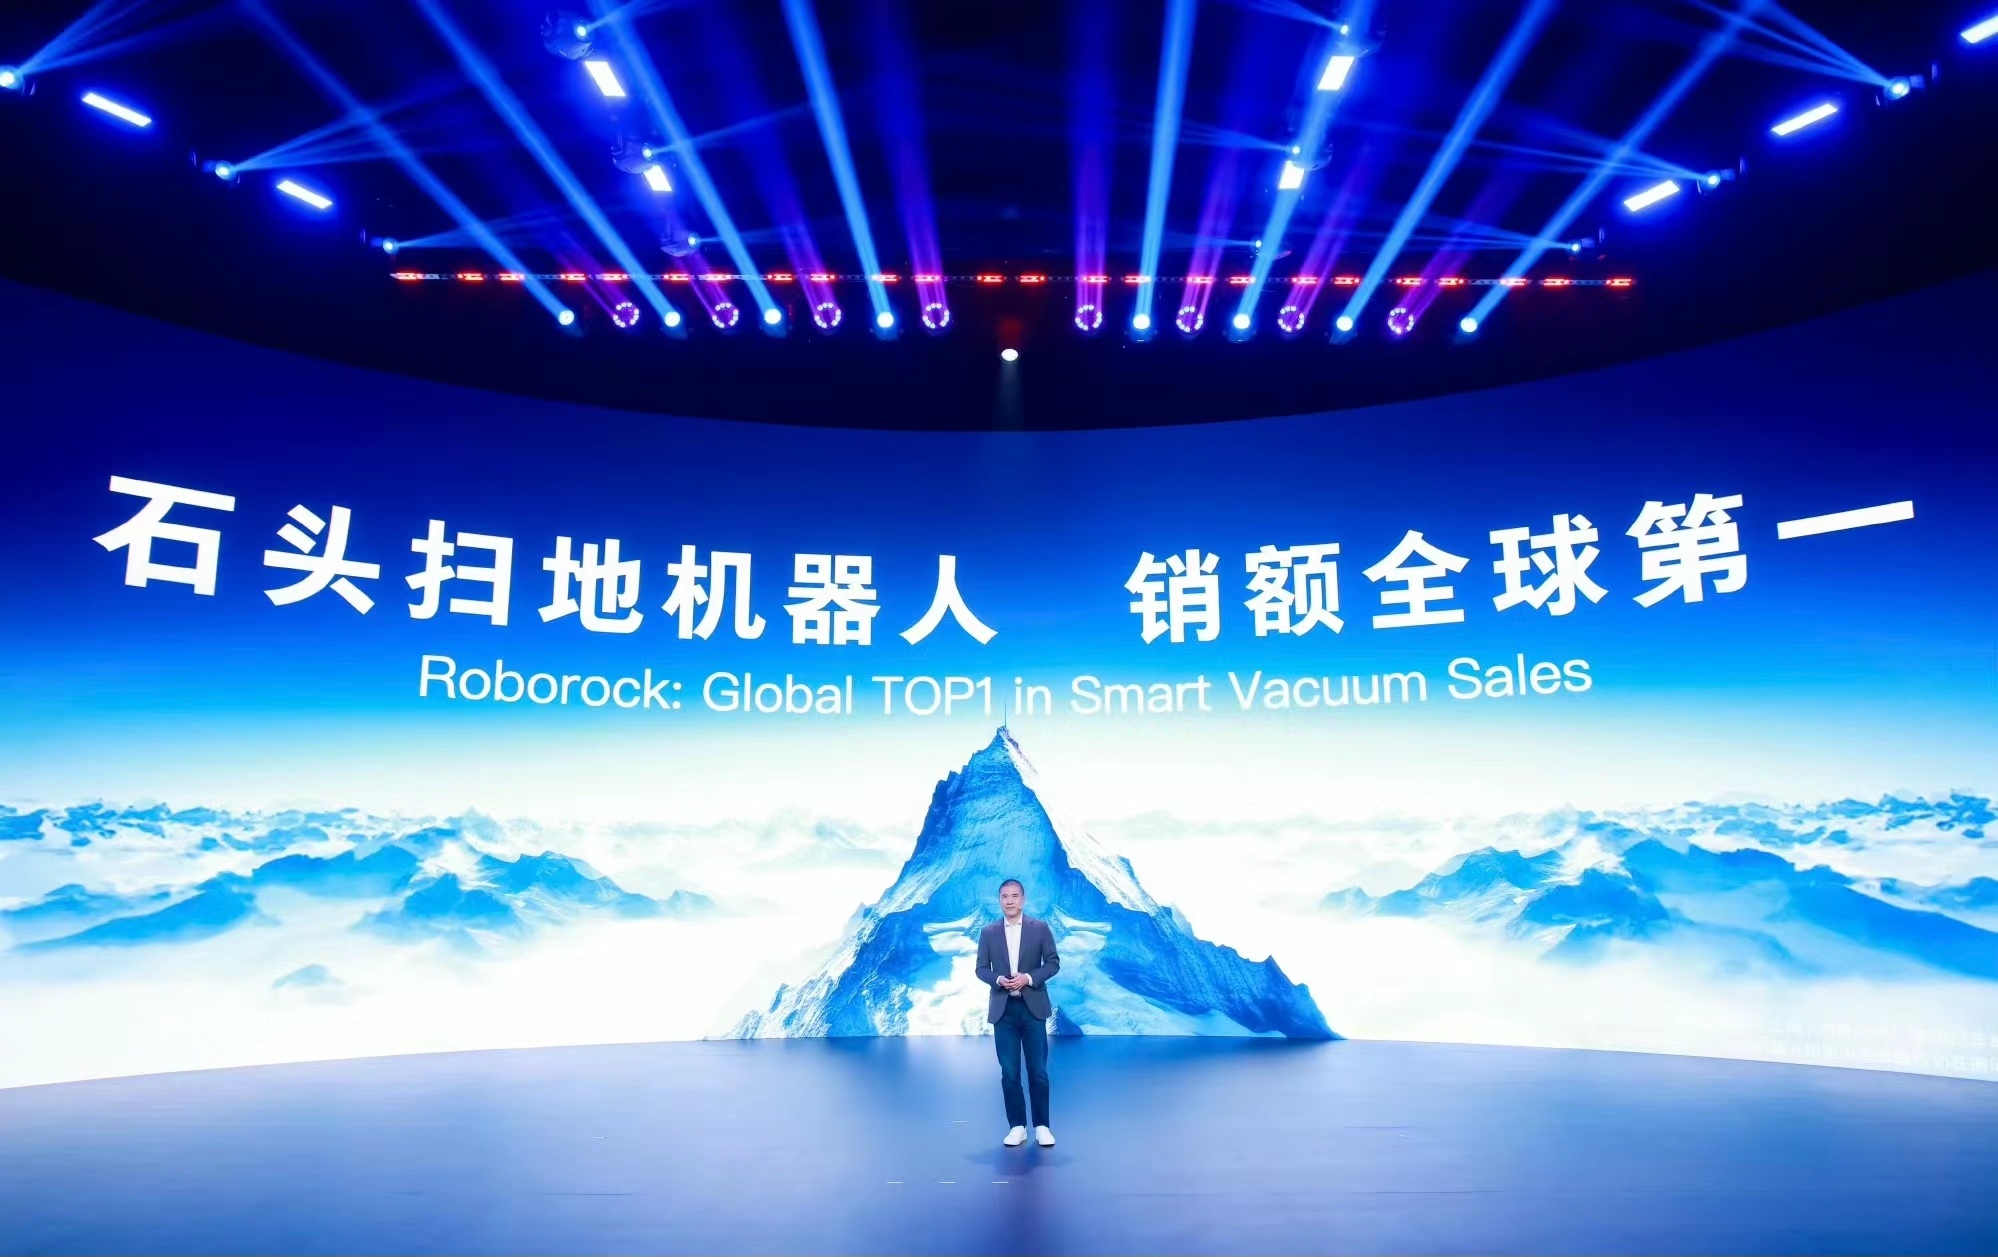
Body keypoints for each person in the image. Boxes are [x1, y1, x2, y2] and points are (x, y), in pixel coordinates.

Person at [975, 878, 1060, 1148]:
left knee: (1038, 1071)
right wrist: (999, 979)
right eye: (1004, 896)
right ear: (999, 900)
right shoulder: (988, 932)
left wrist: (1028, 978)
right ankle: (1017, 1127)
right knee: (1009, 1073)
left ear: (1023, 899)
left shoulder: (1040, 928)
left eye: (1014, 896)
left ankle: (1042, 1127)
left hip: (1033, 1008)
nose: (1009, 901)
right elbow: (981, 969)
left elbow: (1053, 963)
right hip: (1004, 1011)